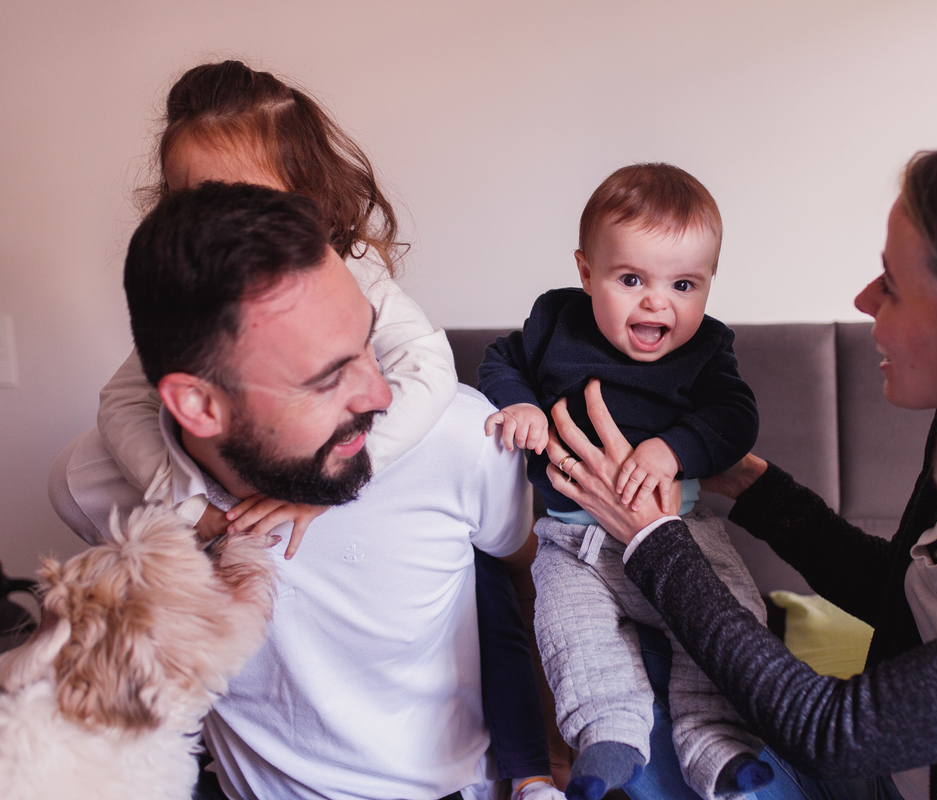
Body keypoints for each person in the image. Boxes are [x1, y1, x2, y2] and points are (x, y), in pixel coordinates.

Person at [540, 143, 937, 800]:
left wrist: (653, 538)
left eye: (892, 283)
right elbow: (905, 597)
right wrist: (751, 485)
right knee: (619, 667)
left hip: (847, 742)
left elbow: (834, 734)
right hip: (884, 774)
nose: (863, 299)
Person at [57, 60, 563, 800]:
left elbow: (528, 577)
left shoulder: (459, 436)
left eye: (361, 348)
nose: (375, 391)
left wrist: (538, 766)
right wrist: (190, 507)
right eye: (325, 375)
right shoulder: (96, 476)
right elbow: (120, 406)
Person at [477, 163, 772, 800]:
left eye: (684, 284)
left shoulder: (707, 350)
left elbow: (735, 417)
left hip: (681, 532)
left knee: (732, 618)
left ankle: (717, 739)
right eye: (631, 279)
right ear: (586, 273)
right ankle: (608, 733)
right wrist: (521, 404)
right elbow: (500, 361)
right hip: (572, 543)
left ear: (709, 283)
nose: (656, 302)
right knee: (571, 631)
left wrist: (673, 448)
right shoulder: (556, 323)